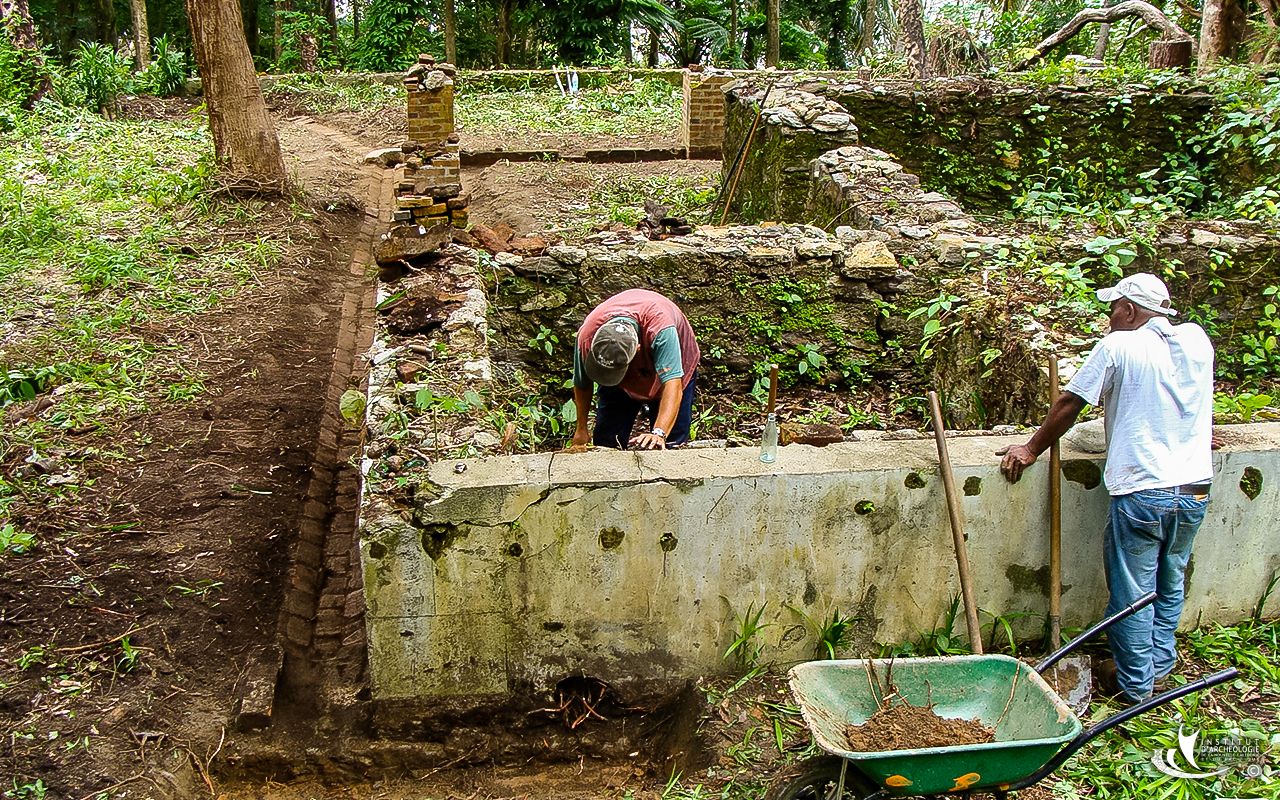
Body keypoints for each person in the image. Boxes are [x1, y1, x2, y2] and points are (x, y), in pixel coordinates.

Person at [997, 273, 1215, 704]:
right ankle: (1158, 669)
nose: (1109, 317)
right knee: (1170, 580)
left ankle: (1136, 688)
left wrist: (1031, 448)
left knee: (1133, 592)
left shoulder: (1119, 346)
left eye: (1113, 308)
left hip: (1144, 490)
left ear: (1129, 310)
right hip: (1194, 487)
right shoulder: (1196, 340)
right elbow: (1184, 399)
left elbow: (1070, 403)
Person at [571, 289, 700, 451]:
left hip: (672, 367)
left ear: (637, 349)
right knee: (607, 441)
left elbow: (672, 385)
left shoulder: (661, 331)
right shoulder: (586, 337)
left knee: (670, 444)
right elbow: (582, 383)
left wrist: (659, 433)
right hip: (623, 381)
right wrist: (581, 429)